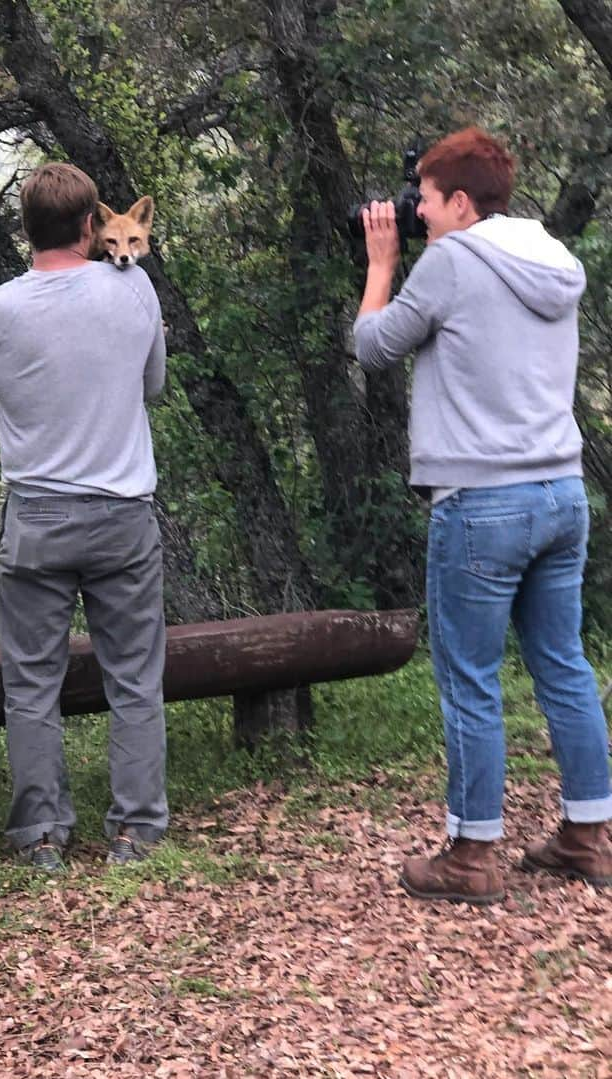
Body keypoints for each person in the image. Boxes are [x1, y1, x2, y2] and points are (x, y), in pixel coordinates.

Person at [354, 127, 612, 904]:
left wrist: (380, 267)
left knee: (470, 678)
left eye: (425, 201)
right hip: (560, 492)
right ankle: (589, 836)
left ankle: (472, 856)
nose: (417, 213)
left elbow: (373, 345)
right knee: (562, 665)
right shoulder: (553, 258)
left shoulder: (453, 262)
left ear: (460, 202)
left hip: (481, 501)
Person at [0, 162, 168, 872]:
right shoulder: (135, 288)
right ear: (90, 227)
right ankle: (137, 831)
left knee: (31, 685)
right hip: (122, 513)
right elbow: (155, 384)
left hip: (38, 519)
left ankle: (43, 836)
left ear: (25, 230)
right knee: (135, 677)